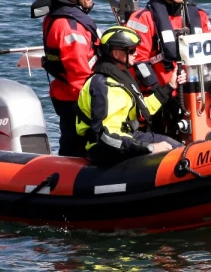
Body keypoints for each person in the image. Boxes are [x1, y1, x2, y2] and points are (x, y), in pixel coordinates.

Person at [126, 0, 211, 138]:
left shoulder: (200, 17)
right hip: (158, 95)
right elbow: (138, 60)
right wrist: (160, 90)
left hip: (195, 92)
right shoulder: (143, 19)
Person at [75, 25, 182, 166]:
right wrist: (148, 147)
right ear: (116, 53)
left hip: (127, 139)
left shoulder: (121, 77)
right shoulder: (103, 85)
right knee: (172, 152)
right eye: (131, 50)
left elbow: (144, 108)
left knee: (177, 148)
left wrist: (169, 87)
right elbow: (105, 137)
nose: (136, 54)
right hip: (106, 149)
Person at [40, 0, 100, 156]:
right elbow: (78, 73)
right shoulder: (70, 28)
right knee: (79, 147)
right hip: (77, 99)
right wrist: (98, 102)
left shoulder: (56, 19)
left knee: (71, 143)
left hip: (66, 95)